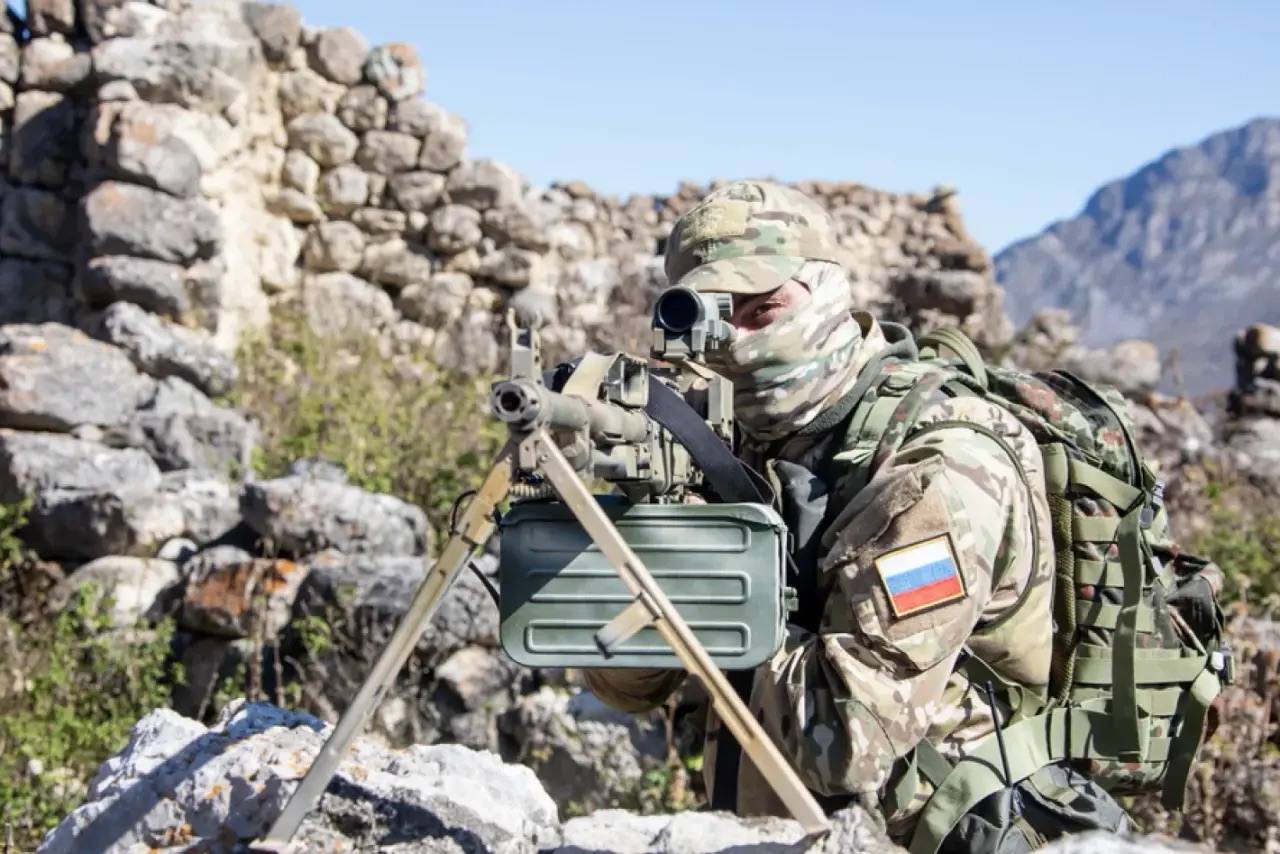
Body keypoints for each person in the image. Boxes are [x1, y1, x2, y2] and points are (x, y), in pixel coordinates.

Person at [583, 180, 1132, 850]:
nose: (738, 339)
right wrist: (644, 530)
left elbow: (847, 740)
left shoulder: (940, 466)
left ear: (826, 287)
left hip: (929, 834)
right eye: (716, 315)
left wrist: (700, 583)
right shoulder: (734, 438)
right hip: (771, 825)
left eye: (763, 307)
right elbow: (627, 686)